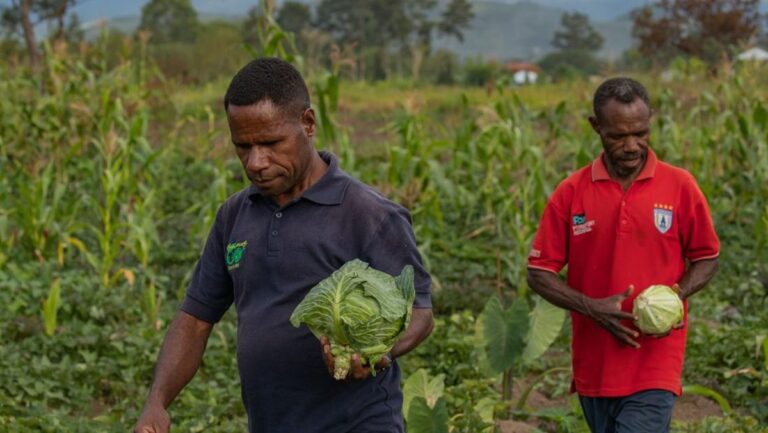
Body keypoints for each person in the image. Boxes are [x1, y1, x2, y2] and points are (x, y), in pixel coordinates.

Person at [134, 58, 434, 433]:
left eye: (271, 143)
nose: (256, 162)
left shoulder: (366, 213)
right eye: (242, 147)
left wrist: (375, 352)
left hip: (358, 424)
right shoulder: (234, 215)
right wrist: (157, 401)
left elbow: (420, 313)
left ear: (307, 124)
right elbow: (195, 319)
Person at [526, 77, 719, 433]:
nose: (632, 146)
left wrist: (675, 296)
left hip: (655, 364)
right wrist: (589, 306)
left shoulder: (680, 186)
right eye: (618, 136)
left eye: (641, 133)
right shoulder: (571, 192)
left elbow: (707, 257)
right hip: (595, 368)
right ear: (596, 126)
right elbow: (539, 271)